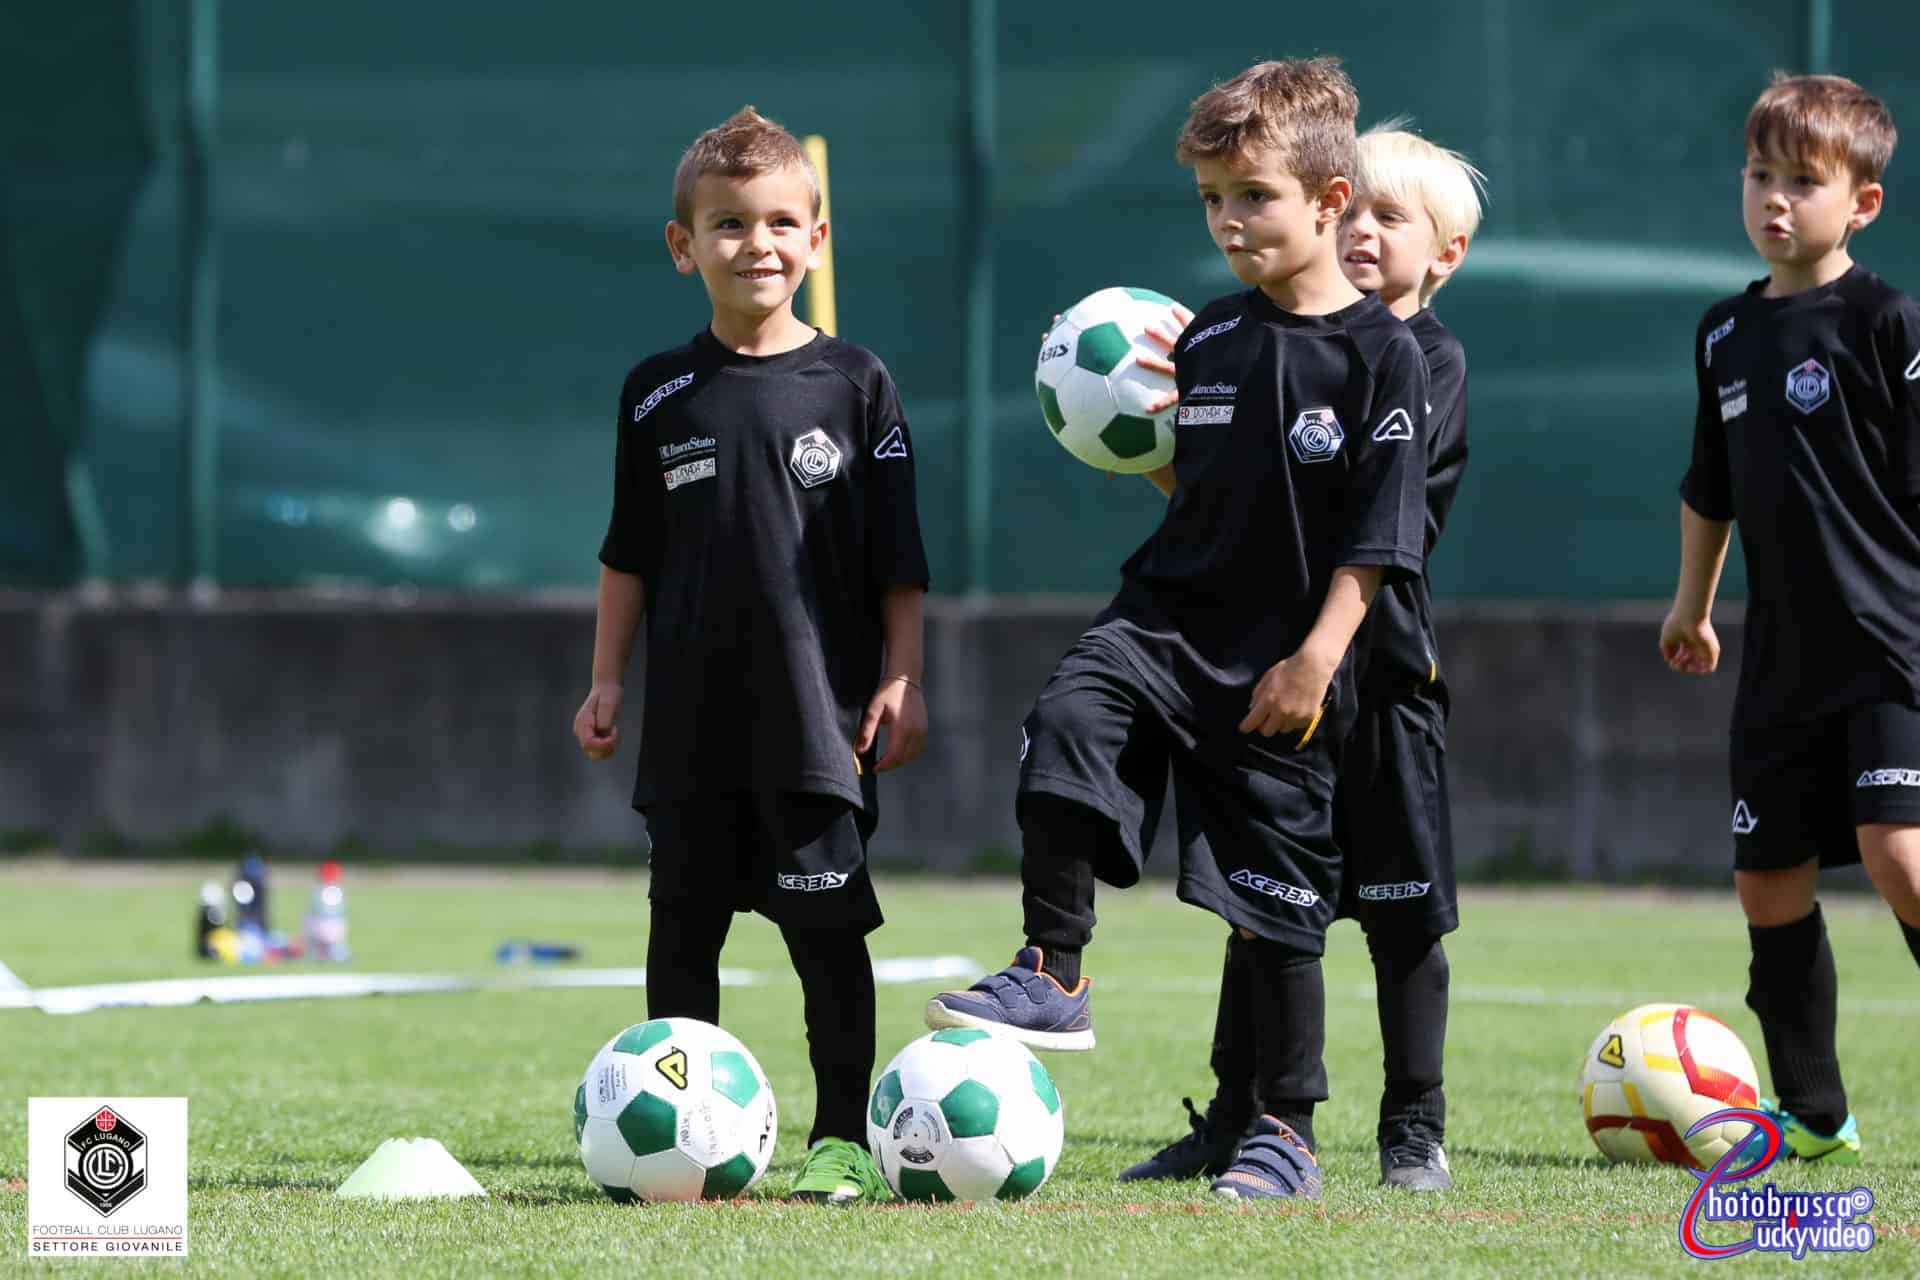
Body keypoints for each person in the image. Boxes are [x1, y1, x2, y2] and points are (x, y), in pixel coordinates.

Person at [926, 58, 1431, 1201]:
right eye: (1212, 199)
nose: (1229, 219)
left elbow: (1382, 535)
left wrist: (1317, 657)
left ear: (1329, 201)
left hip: (1285, 659)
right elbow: (1200, 494)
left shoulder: (1380, 355)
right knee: (1064, 718)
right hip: (1164, 622)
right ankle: (1054, 965)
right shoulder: (1202, 339)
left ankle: (1286, 1130)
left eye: (1251, 194)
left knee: (1273, 905)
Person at [1118, 124, 1485, 1193]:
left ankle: (1413, 1122)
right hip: (1267, 674)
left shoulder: (1423, 362)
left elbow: (1387, 524)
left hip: (1380, 685)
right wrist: (1154, 447)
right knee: (1261, 901)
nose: (1363, 231)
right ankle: (1240, 1117)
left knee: (1406, 913)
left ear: (1446, 253)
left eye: (1391, 217)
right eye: (1353, 210)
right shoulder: (1259, 342)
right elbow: (1226, 511)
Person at [574, 105, 930, 1202]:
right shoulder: (654, 391)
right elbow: (628, 552)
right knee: (682, 938)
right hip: (688, 721)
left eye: (782, 222)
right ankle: (684, 1141)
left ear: (816, 240)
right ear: (686, 246)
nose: (758, 244)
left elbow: (898, 557)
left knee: (828, 932)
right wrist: (606, 676)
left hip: (814, 719)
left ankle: (838, 1138)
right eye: (729, 225)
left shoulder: (857, 383)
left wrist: (903, 673)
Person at [1661, 72, 1920, 1165]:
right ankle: (1815, 1111)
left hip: (1892, 644)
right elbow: (1709, 485)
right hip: (1781, 659)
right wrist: (1692, 605)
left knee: (1899, 850)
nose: (1774, 199)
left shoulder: (1887, 320)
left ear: (1859, 202)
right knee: (1767, 878)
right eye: (1759, 175)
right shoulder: (1724, 332)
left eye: (1801, 182)